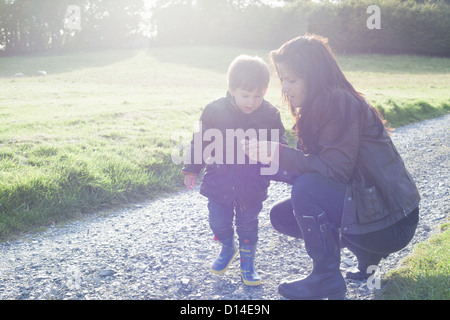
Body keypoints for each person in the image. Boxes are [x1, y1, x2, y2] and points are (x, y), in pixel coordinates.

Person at [244, 34, 420, 299]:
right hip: (381, 215)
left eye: (292, 79)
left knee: (307, 190)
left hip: (392, 223)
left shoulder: (339, 103)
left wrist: (279, 153)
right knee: (282, 215)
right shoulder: (322, 105)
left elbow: (331, 173)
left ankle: (326, 277)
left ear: (314, 75)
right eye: (283, 79)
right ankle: (367, 256)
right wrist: (266, 161)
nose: (286, 88)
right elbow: (318, 170)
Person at [182, 55, 287, 286]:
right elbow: (199, 142)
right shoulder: (214, 111)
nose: (251, 102)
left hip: (252, 184)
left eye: (258, 96)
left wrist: (277, 158)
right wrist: (191, 169)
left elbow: (281, 144)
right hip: (219, 181)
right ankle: (228, 247)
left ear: (265, 90)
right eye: (245, 95)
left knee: (248, 223)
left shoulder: (270, 115)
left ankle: (248, 263)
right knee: (218, 221)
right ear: (231, 89)